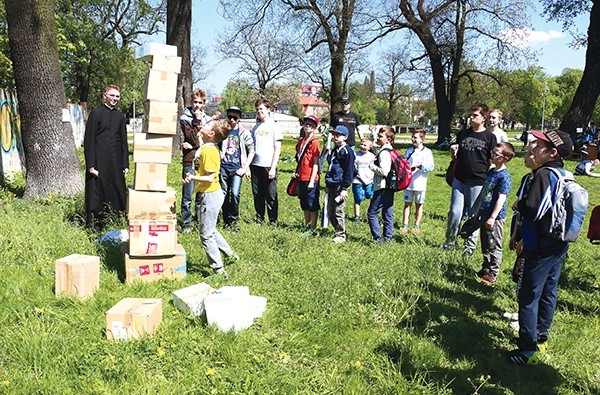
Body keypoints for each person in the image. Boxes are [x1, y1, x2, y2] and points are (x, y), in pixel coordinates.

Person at [506, 129, 575, 366]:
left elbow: (534, 209)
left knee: (528, 296)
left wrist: (518, 205)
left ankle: (527, 350)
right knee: (548, 292)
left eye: (539, 145)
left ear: (552, 153)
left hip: (539, 246)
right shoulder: (564, 173)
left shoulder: (544, 174)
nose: (532, 146)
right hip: (558, 244)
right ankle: (541, 338)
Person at [183, 120, 239, 278]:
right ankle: (230, 256)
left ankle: (219, 270)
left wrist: (192, 177)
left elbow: (209, 178)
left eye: (208, 125)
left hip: (209, 196)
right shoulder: (208, 146)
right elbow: (201, 145)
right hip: (211, 194)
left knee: (206, 235)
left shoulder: (209, 151)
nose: (204, 125)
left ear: (211, 134)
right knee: (211, 230)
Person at [443, 103, 497, 256]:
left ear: (483, 118)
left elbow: (491, 161)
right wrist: (452, 152)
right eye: (470, 115)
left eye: (475, 115)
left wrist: (489, 180)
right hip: (459, 179)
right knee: (454, 212)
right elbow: (456, 158)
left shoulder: (489, 137)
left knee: (473, 216)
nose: (471, 118)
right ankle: (449, 242)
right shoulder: (463, 134)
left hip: (478, 182)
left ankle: (469, 247)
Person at [84, 84, 129, 232]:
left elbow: (123, 141)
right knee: (98, 191)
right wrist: (90, 164)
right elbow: (89, 139)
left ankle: (116, 221)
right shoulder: (96, 113)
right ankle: (95, 225)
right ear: (105, 95)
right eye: (112, 95)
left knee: (117, 189)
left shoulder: (120, 116)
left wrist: (125, 164)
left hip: (115, 160)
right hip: (99, 159)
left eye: (117, 96)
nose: (114, 99)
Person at [470, 142, 515, 285]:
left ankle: (493, 273)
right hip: (484, 214)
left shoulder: (504, 177)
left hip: (494, 217)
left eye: (496, 154)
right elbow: (484, 194)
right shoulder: (491, 171)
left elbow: (501, 198)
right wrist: (478, 211)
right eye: (493, 152)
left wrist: (492, 217)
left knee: (494, 244)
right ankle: (486, 268)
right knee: (485, 243)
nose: (492, 155)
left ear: (505, 158)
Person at [179, 88, 212, 233]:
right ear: (191, 102)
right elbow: (194, 138)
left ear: (204, 104)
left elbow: (208, 140)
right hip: (190, 159)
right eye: (195, 102)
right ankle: (186, 224)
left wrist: (193, 144)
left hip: (203, 161)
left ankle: (199, 222)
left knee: (201, 195)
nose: (197, 105)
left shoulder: (208, 119)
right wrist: (197, 120)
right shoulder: (185, 118)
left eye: (200, 102)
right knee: (188, 194)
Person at [219, 106, 255, 231]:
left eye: (235, 117)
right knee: (223, 194)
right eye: (230, 117)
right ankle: (225, 221)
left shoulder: (244, 132)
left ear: (239, 118)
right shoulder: (223, 131)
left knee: (234, 194)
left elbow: (251, 151)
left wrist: (245, 168)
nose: (232, 120)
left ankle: (233, 220)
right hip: (223, 167)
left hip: (237, 169)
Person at [250, 99, 283, 224]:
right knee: (257, 193)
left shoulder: (274, 126)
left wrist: (273, 167)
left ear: (268, 110)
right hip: (255, 165)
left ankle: (273, 220)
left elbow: (277, 148)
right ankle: (259, 218)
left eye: (261, 109)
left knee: (271, 194)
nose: (259, 111)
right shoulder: (255, 128)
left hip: (268, 165)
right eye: (257, 109)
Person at [325, 125, 356, 243]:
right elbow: (331, 167)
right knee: (330, 210)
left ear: (345, 137)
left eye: (338, 135)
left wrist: (345, 188)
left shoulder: (347, 151)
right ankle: (336, 230)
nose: (335, 137)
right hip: (331, 183)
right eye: (334, 135)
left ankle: (341, 234)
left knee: (338, 210)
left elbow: (349, 171)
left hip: (340, 185)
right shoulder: (334, 150)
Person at [401, 129, 435, 235]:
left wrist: (421, 167)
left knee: (419, 205)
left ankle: (416, 225)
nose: (413, 139)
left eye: (415, 137)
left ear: (422, 139)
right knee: (407, 204)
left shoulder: (427, 152)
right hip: (409, 183)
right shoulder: (409, 150)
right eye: (412, 137)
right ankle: (405, 225)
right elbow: (404, 163)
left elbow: (431, 167)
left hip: (420, 184)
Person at [292, 115, 322, 232]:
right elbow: (300, 159)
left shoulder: (315, 142)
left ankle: (313, 227)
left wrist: (312, 180)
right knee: (304, 202)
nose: (307, 126)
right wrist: (296, 173)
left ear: (314, 128)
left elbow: (315, 163)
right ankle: (307, 225)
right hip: (301, 177)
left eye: (311, 125)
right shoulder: (301, 141)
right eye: (306, 124)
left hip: (311, 178)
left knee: (312, 204)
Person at [367, 127, 395, 244]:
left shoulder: (384, 153)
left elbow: (384, 171)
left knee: (372, 213)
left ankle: (378, 238)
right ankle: (388, 237)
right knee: (387, 212)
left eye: (380, 136)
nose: (377, 138)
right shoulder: (390, 150)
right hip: (390, 186)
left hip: (382, 186)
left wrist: (371, 165)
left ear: (388, 139)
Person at [352, 138, 375, 222]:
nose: (362, 146)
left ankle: (372, 213)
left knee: (370, 195)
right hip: (357, 180)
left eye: (365, 145)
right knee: (357, 198)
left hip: (369, 180)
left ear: (370, 147)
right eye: (361, 144)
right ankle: (357, 216)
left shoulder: (371, 156)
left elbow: (373, 167)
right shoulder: (355, 154)